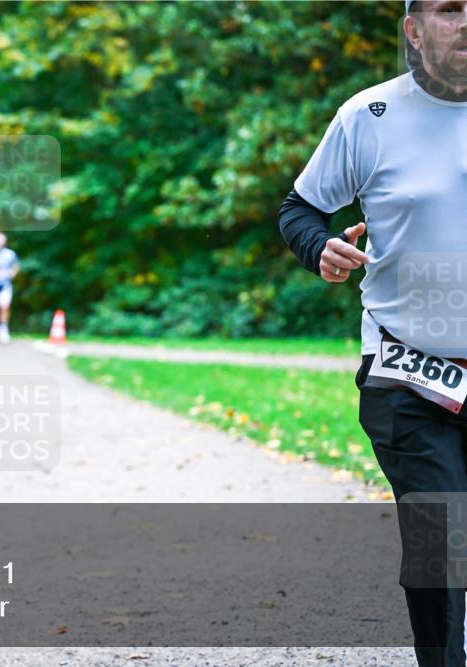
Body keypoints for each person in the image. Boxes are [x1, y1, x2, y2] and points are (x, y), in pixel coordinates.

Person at [279, 2, 466, 664]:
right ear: (414, 30)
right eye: (451, 9)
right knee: (443, 540)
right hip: (408, 371)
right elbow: (300, 207)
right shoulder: (370, 116)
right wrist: (319, 247)